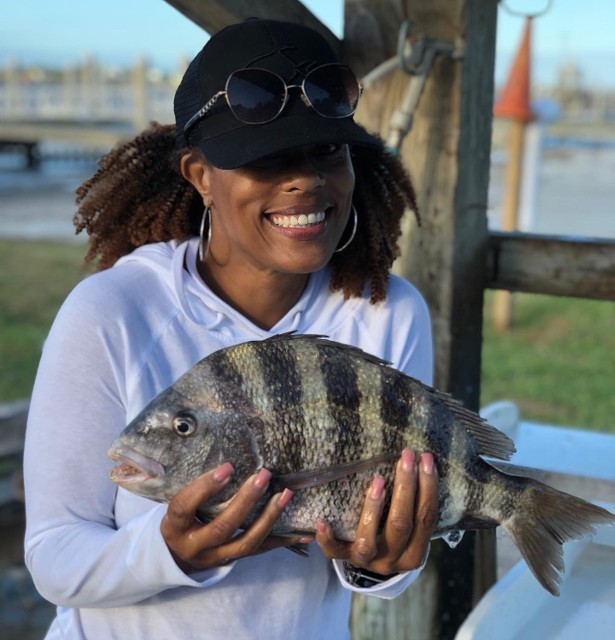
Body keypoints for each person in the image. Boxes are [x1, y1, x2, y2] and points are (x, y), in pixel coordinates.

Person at [24, 18, 438, 640]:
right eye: (267, 158)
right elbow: (55, 556)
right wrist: (172, 551)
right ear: (199, 175)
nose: (306, 180)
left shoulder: (387, 313)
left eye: (327, 150)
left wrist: (384, 565)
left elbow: (389, 550)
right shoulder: (110, 313)